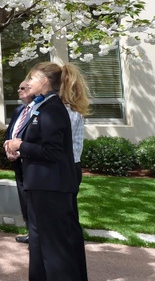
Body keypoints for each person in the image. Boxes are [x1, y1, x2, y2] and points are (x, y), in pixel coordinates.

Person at [5, 62, 88, 281]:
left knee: (54, 248)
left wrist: (20, 146)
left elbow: (52, 151)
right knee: (39, 243)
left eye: (31, 78)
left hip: (51, 187)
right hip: (40, 185)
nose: (27, 83)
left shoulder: (53, 109)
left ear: (44, 81)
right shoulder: (43, 106)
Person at [60, 63, 91, 219]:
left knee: (65, 212)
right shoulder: (73, 110)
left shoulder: (68, 112)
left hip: (66, 166)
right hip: (71, 165)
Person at [5, 80, 34, 244]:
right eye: (19, 87)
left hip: (31, 161)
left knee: (33, 198)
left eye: (22, 88)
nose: (18, 90)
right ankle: (31, 231)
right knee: (24, 198)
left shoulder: (37, 112)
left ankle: (38, 233)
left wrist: (20, 150)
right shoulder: (18, 111)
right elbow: (10, 133)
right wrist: (8, 150)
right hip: (17, 162)